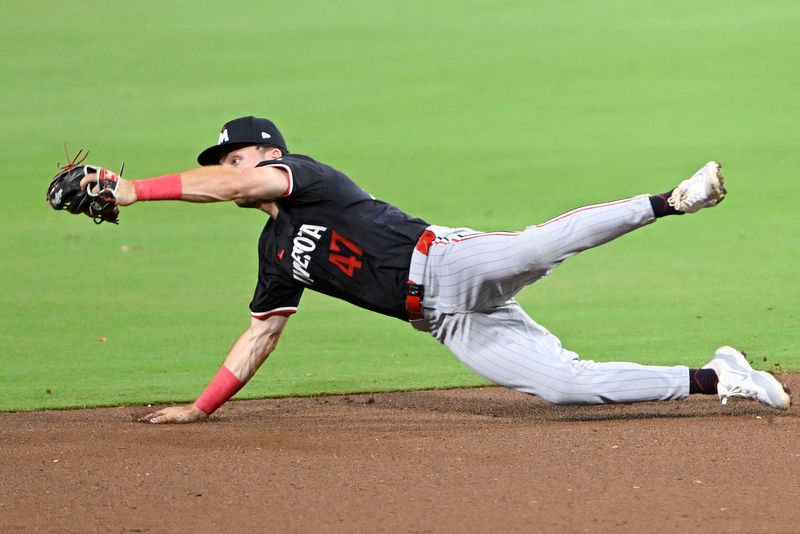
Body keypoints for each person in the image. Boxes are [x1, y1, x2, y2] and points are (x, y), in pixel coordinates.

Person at [81, 116, 790, 423]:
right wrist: (202, 409)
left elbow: (238, 187)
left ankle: (672, 200)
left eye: (231, 158)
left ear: (266, 155)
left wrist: (132, 189)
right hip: (445, 322)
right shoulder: (273, 253)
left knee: (536, 248)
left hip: (446, 259)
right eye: (222, 165)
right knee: (565, 387)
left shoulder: (302, 175)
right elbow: (260, 334)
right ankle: (718, 376)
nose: (227, 172)